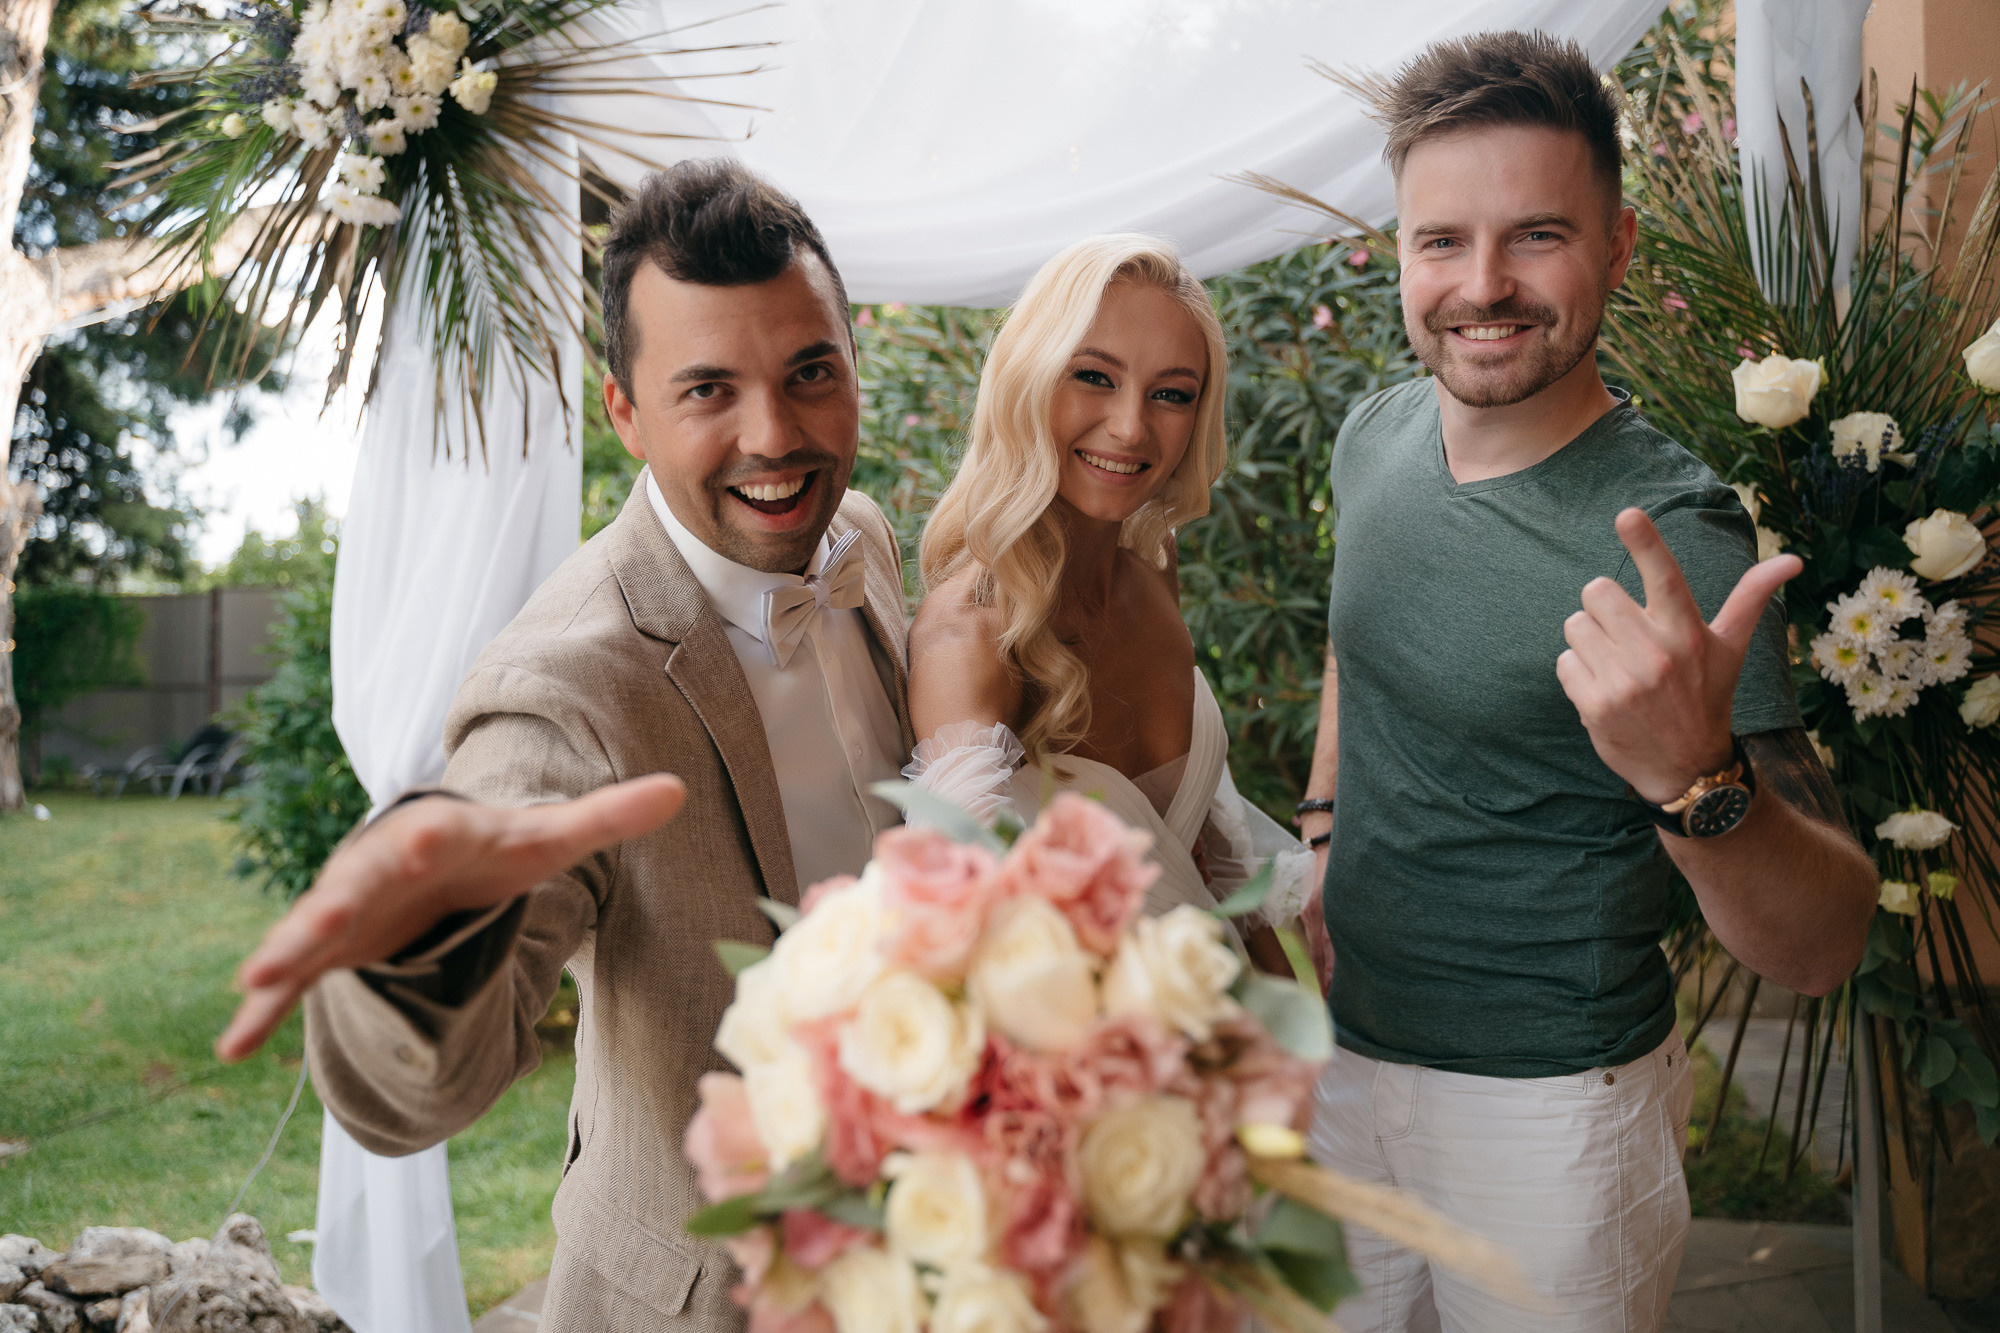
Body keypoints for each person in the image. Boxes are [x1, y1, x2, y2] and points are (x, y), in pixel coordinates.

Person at [216, 157, 913, 1332]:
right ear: (624, 412)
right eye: (707, 390)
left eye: (810, 373)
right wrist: (416, 941)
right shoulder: (564, 685)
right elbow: (423, 1082)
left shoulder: (864, 538)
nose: (774, 436)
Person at [1293, 32, 1877, 1333]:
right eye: (1440, 240)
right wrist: (1324, 828)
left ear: (1615, 249)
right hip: (1339, 1069)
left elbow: (1826, 942)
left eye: (1536, 236)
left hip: (1552, 1120)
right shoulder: (1375, 437)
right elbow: (1358, 636)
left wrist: (1695, 778)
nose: (1481, 285)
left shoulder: (1676, 536)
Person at [907, 233, 1310, 964]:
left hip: (1225, 1022)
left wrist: (1280, 1040)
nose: (1131, 426)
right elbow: (963, 944)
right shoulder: (969, 637)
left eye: (1171, 394)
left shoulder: (1154, 563)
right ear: (1028, 378)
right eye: (1094, 376)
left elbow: (1205, 854)